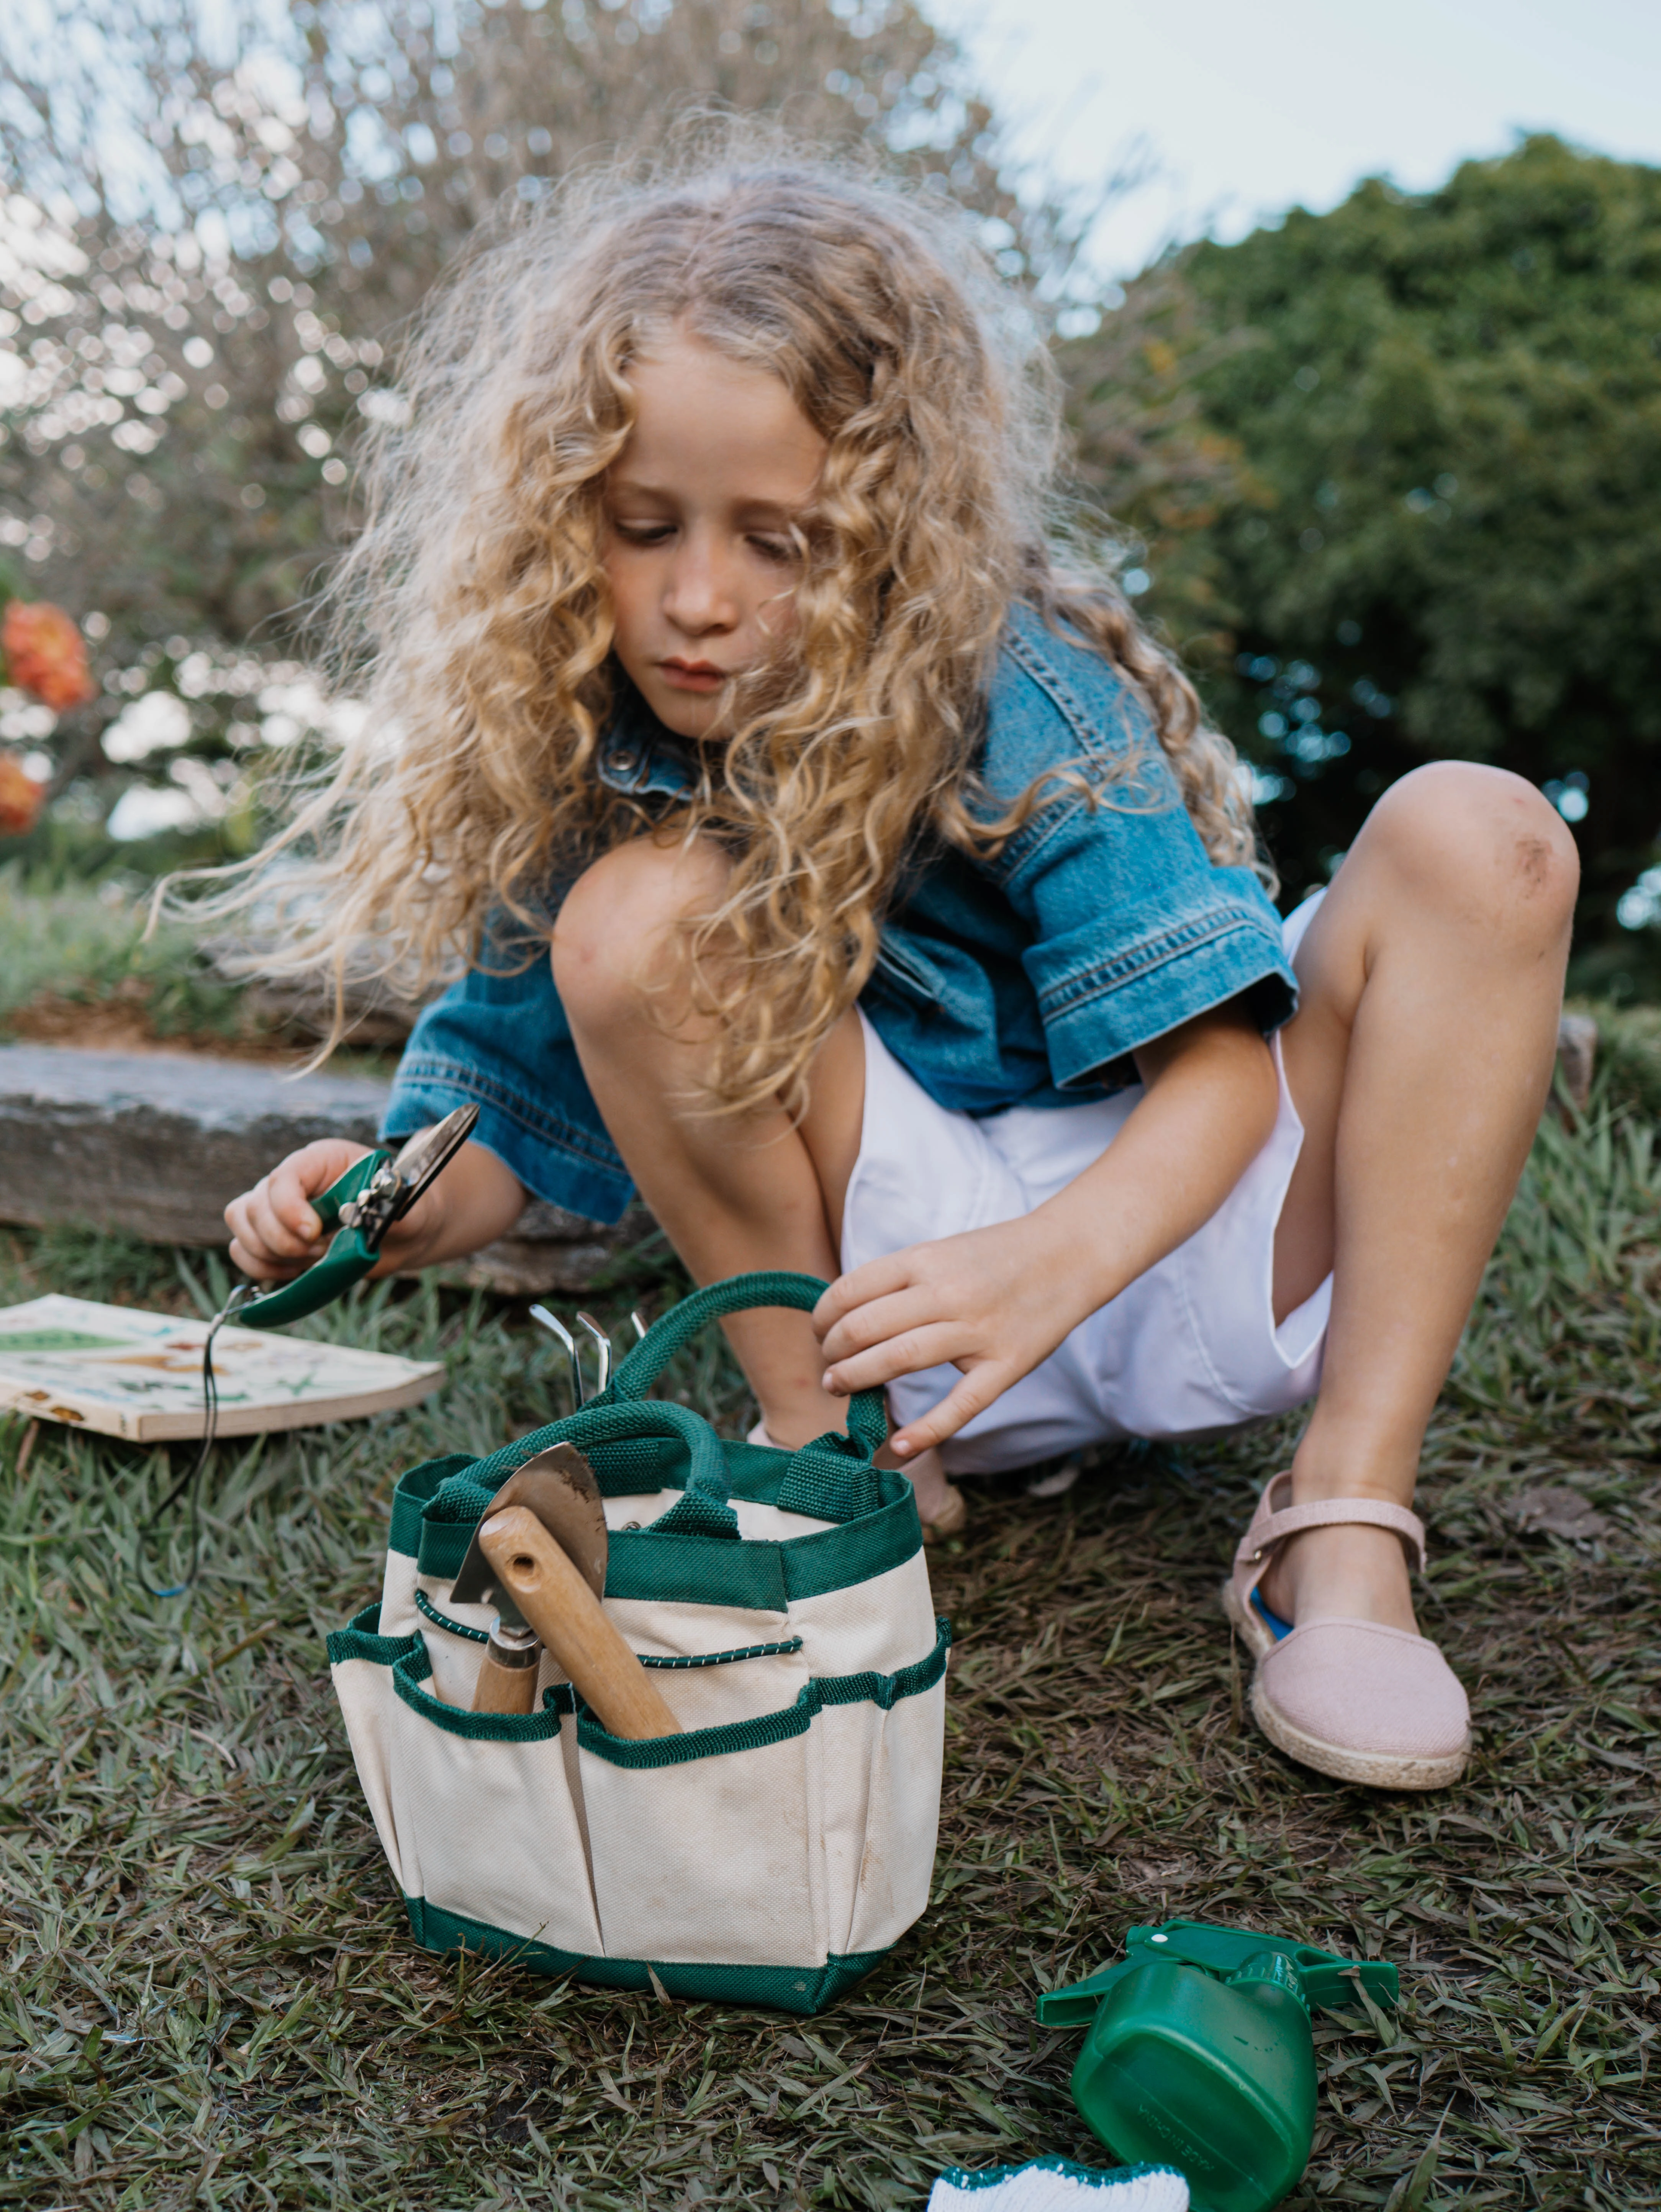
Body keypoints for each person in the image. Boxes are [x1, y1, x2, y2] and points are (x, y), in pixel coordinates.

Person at [216, 140, 1578, 1793]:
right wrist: (383, 1195)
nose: (696, 601)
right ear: (563, 513)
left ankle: (1342, 1513)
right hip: (891, 1324)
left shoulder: (1023, 689)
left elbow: (1220, 1070)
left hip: (1181, 1229)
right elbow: (507, 1114)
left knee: (1477, 831)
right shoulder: (597, 751)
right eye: (644, 526)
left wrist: (1053, 1259)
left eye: (776, 540)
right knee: (636, 917)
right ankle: (839, 1468)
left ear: (889, 521)